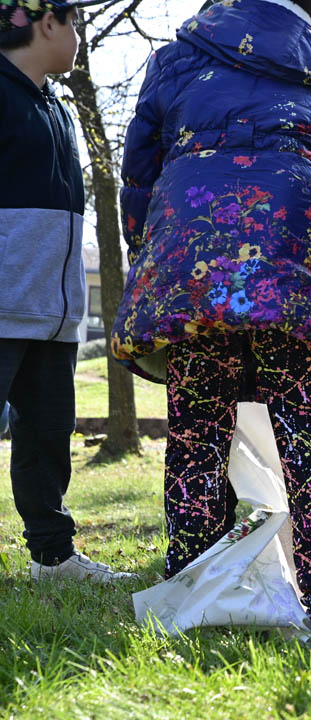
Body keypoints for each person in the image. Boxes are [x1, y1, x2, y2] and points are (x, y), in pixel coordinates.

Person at [112, 0, 311, 638]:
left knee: (197, 431)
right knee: (309, 436)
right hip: (290, 251)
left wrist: (149, 248)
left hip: (193, 246)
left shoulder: (177, 58)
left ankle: (193, 590)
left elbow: (139, 170)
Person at [0, 0, 135, 583]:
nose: (78, 33)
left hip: (53, 314)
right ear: (46, 22)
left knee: (47, 438)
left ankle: (53, 558)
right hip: (4, 306)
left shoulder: (57, 107)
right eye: (74, 20)